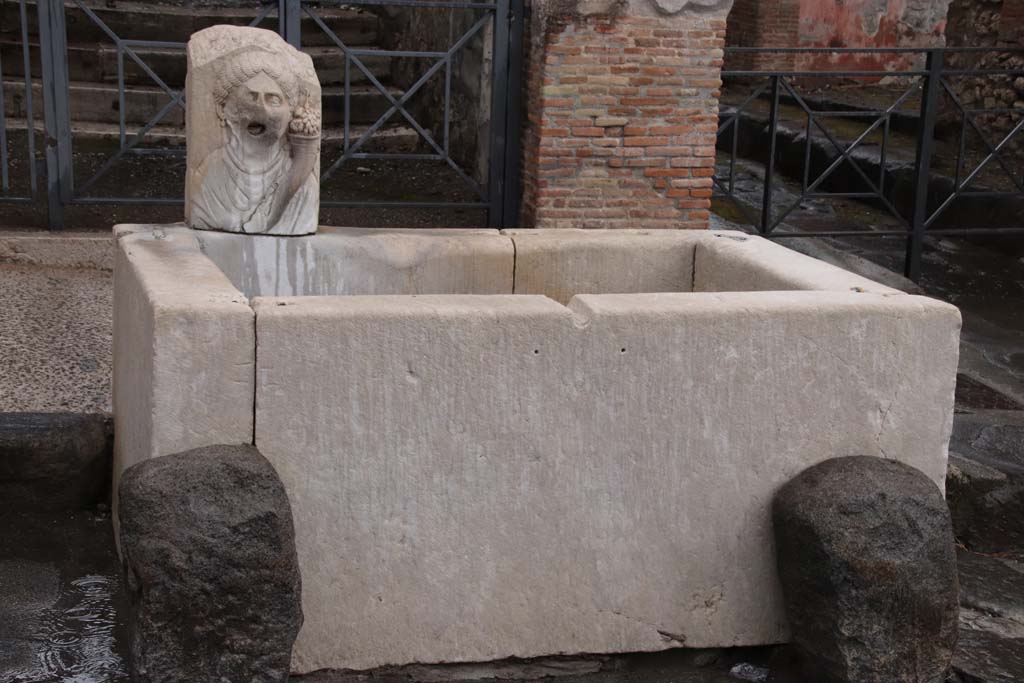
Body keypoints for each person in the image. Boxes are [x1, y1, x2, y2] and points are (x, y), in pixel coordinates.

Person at [190, 50, 318, 235]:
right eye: (250, 97)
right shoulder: (208, 176)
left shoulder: (304, 186)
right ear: (222, 109)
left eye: (273, 100)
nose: (261, 109)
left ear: (290, 113)